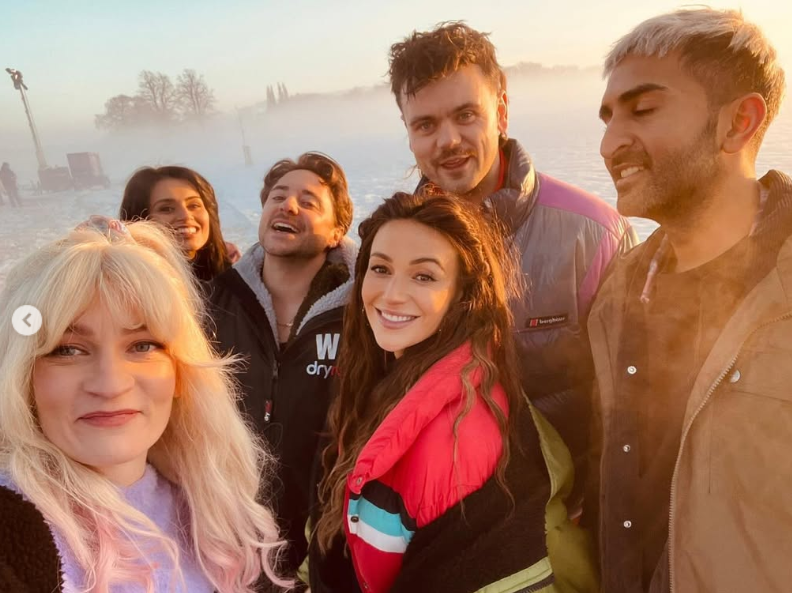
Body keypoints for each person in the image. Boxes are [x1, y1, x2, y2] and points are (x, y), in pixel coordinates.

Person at [387, 22, 637, 507]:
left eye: (465, 115)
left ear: (500, 110)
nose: (448, 140)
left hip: (560, 515)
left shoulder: (592, 234)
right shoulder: (393, 246)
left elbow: (628, 403)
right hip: (437, 520)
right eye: (425, 125)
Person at [587, 8, 790, 593]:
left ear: (739, 123)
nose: (609, 143)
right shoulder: (619, 292)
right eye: (607, 118)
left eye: (643, 110)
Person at [310, 192, 597, 593]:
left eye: (424, 276)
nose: (391, 294)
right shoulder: (385, 378)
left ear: (463, 294)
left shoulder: (456, 436)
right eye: (380, 268)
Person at [0, 216, 289, 592]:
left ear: (180, 370)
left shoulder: (213, 508)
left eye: (143, 345)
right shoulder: (11, 535)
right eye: (67, 349)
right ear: (21, 376)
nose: (111, 383)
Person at [208, 152, 356, 578]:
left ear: (336, 233)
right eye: (278, 196)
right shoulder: (214, 304)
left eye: (309, 202)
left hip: (332, 545)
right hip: (232, 544)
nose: (288, 206)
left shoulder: (367, 312)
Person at [119, 165, 238, 283]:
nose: (186, 216)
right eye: (166, 209)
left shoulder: (238, 271)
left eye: (194, 205)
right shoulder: (125, 284)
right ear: (140, 219)